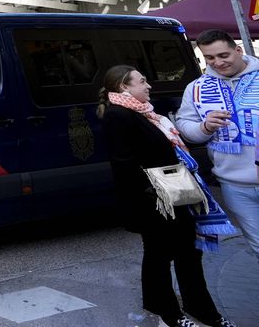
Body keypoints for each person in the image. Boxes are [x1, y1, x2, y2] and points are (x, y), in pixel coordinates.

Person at [100, 64, 235, 327]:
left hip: (173, 194)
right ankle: (171, 313)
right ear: (123, 87)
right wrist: (153, 197)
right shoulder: (119, 116)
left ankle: (196, 308)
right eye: (141, 81)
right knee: (162, 255)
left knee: (185, 252)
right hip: (155, 201)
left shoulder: (146, 114)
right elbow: (124, 164)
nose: (148, 85)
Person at [176, 29, 259, 259]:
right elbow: (184, 125)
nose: (217, 63)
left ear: (238, 50)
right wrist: (204, 128)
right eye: (209, 58)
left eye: (223, 55)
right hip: (234, 184)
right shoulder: (196, 88)